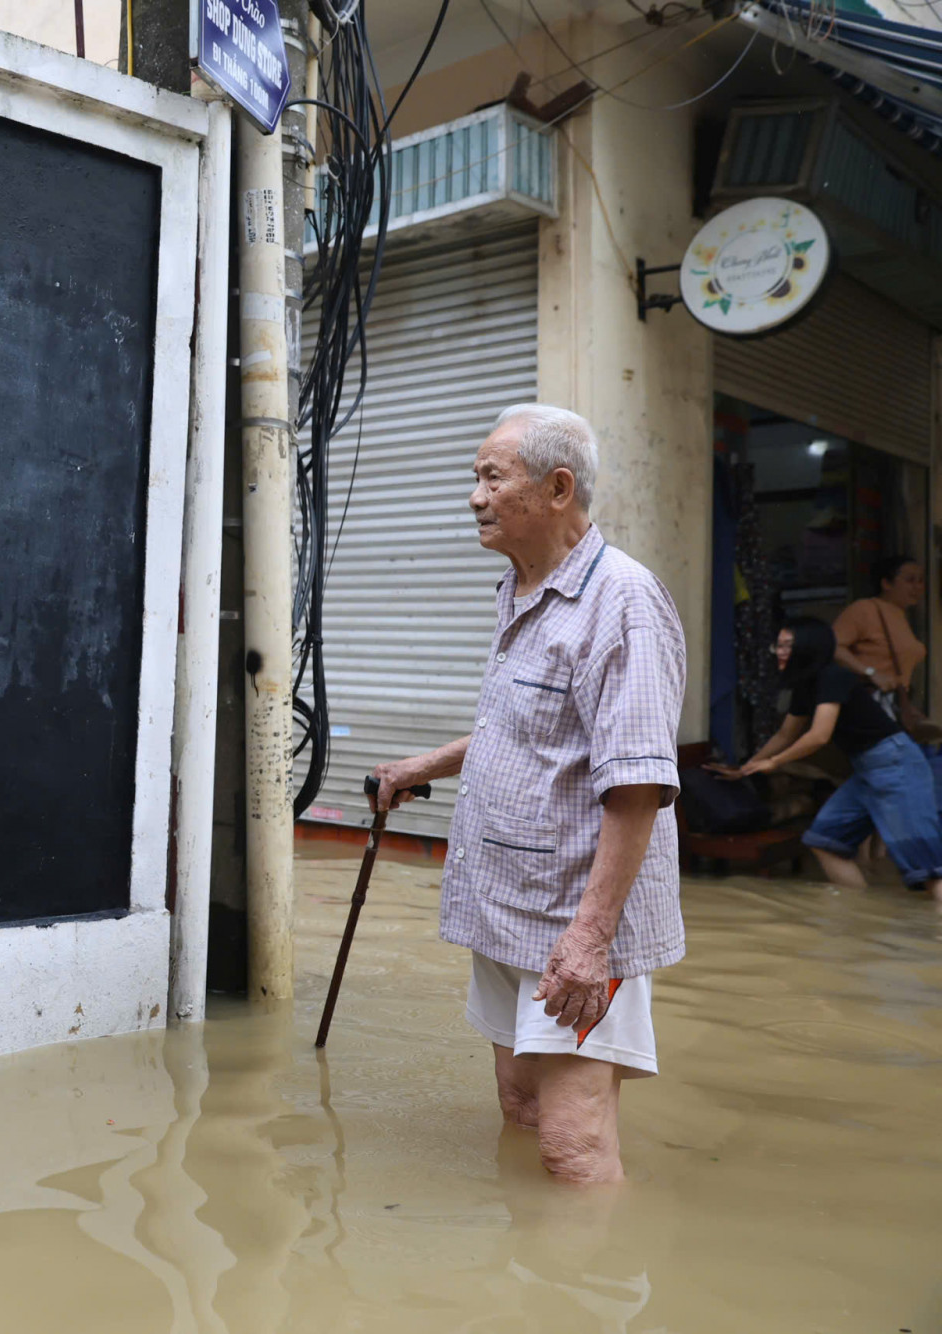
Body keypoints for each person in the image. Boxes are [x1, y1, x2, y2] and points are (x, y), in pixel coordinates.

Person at [370, 404, 686, 1187]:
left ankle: (594, 1301)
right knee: (520, 1109)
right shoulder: (520, 588)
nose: (474, 496)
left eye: (491, 477)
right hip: (507, 903)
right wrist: (423, 767)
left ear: (557, 487)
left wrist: (590, 941)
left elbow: (637, 780)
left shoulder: (624, 602)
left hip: (571, 922)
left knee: (571, 1147)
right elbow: (529, 729)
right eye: (474, 478)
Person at [711, 619, 942, 902]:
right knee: (825, 841)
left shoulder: (833, 676)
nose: (779, 652)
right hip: (868, 769)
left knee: (929, 869)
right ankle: (859, 916)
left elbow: (819, 736)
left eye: (787, 645)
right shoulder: (806, 686)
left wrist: (775, 763)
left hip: (896, 765)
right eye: (778, 645)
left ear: (809, 647)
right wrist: (746, 768)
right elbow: (786, 734)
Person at [832, 554, 927, 700]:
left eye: (921, 580)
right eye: (910, 580)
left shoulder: (900, 614)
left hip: (893, 699)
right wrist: (871, 673)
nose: (917, 587)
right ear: (886, 584)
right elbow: (834, 646)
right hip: (868, 698)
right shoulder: (865, 609)